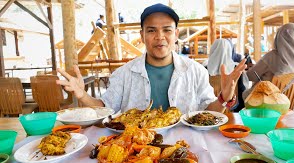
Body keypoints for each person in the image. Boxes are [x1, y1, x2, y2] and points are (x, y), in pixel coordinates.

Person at [57, 3, 246, 114]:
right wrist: (82, 95)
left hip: (186, 149)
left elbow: (208, 113)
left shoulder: (195, 71)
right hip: (136, 151)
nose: (160, 37)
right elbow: (105, 107)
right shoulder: (124, 74)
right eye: (151, 30)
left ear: (176, 34)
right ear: (142, 35)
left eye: (167, 30)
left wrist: (224, 98)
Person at [243, 23, 294, 99]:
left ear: (279, 37)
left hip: (265, 102)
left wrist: (243, 71)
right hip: (290, 102)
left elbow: (250, 76)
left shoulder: (271, 57)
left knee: (239, 91)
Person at [202, 39, 247, 111]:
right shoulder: (236, 69)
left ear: (212, 51)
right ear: (229, 51)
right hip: (232, 111)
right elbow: (242, 92)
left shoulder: (204, 69)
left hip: (209, 113)